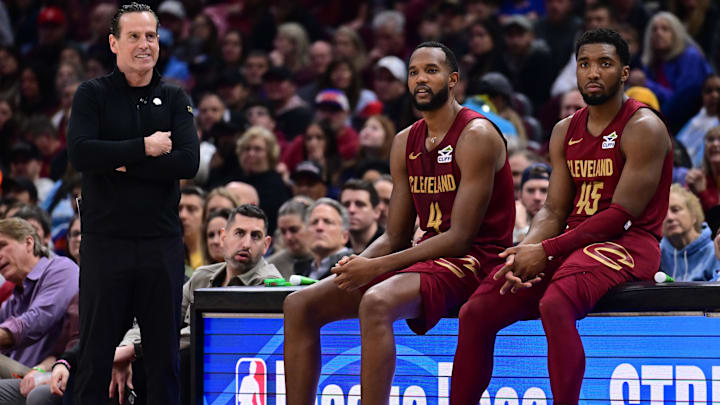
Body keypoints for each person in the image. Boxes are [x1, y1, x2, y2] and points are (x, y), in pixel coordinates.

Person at [450, 28, 673, 404]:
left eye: (604, 63)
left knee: (555, 303)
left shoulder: (644, 127)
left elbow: (621, 215)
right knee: (477, 310)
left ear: (623, 73)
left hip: (629, 243)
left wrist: (548, 248)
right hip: (571, 242)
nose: (592, 72)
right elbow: (553, 209)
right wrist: (528, 249)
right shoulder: (563, 130)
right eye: (584, 64)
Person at [283, 41, 514, 404]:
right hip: (428, 257)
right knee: (299, 305)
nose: (421, 79)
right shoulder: (405, 141)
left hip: (476, 259)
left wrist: (375, 268)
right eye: (414, 72)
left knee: (376, 302)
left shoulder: (477, 135)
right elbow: (395, 235)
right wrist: (353, 267)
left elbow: (460, 238)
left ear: (453, 80)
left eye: (431, 71)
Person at [66, 3, 199, 404]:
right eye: (134, 36)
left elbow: (187, 162)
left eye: (151, 36)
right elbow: (82, 153)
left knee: (163, 360)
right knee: (93, 354)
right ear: (113, 43)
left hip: (160, 242)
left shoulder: (175, 97)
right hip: (106, 242)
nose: (145, 44)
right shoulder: (92, 94)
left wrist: (123, 162)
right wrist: (147, 147)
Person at [660, 184, 720, 281]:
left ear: (694, 215)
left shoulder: (716, 248)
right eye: (662, 212)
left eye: (675, 210)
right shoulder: (657, 254)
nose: (669, 218)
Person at [513, 163, 551, 244]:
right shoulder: (506, 227)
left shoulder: (566, 227)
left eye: (544, 190)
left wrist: (522, 229)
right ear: (520, 195)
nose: (537, 197)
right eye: (530, 190)